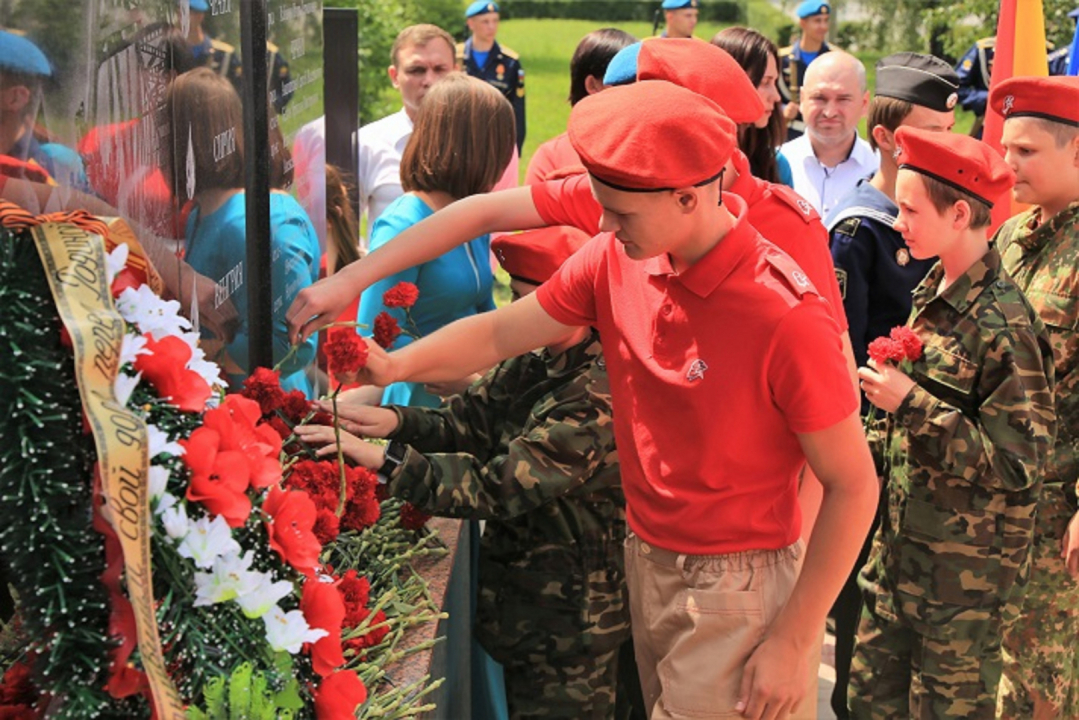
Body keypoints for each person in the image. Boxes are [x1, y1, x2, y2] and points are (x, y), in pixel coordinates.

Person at [293, 79, 878, 720]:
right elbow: (500, 332)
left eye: (619, 213)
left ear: (687, 196)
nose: (601, 225)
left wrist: (796, 640)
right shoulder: (618, 254)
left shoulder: (784, 314)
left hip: (735, 583)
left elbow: (852, 484)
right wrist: (394, 363)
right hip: (647, 558)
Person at [297, 228, 628, 720]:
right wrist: (394, 421)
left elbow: (497, 485)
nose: (517, 317)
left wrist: (385, 459)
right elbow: (468, 422)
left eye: (528, 302)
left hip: (571, 625)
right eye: (514, 301)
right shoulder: (539, 356)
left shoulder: (596, 393)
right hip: (527, 606)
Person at [849, 126, 1055, 720]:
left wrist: (911, 403)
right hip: (897, 569)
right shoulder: (933, 290)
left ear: (960, 212)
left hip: (961, 592)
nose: (898, 221)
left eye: (910, 209)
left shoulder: (1006, 326)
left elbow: (1018, 465)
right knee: (866, 706)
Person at [823, 52, 959, 720]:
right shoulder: (860, 231)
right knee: (866, 624)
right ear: (884, 136)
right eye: (928, 129)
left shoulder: (950, 216)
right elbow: (840, 360)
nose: (947, 142)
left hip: (937, 449)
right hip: (874, 453)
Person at [988, 75, 1079, 720]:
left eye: (1026, 151)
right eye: (1005, 147)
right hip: (997, 507)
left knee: (1046, 687)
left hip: (1059, 519)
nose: (1006, 163)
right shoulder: (1010, 237)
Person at [356, 72, 509, 409]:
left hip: (470, 396)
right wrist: (468, 382)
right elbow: (375, 340)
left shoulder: (472, 212)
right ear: (476, 148)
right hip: (420, 408)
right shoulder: (404, 223)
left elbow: (484, 309)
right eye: (500, 145)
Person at [162, 67, 319, 395]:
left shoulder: (259, 222)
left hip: (263, 419)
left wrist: (182, 352)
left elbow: (290, 346)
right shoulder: (201, 212)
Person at [358, 24, 456, 244]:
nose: (429, 80)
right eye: (416, 70)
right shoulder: (367, 143)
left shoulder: (481, 139)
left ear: (456, 72)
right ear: (394, 76)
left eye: (440, 69)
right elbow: (348, 233)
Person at [524, 28, 636, 185]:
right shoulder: (552, 158)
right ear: (592, 85)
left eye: (641, 80)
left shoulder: (655, 150)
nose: (637, 90)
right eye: (625, 82)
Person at [780, 51, 878, 218]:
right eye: (819, 98)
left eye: (843, 99)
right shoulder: (775, 165)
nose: (830, 112)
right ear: (802, 99)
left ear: (864, 103)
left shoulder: (882, 169)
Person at [711, 27, 788, 185]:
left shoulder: (776, 165)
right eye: (765, 82)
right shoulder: (691, 166)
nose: (776, 96)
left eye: (774, 82)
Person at [954, 36, 1067, 138]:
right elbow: (957, 86)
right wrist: (990, 99)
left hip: (1033, 125)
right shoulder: (984, 49)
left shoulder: (1044, 50)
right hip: (990, 123)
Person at [458, 1, 525, 153]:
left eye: (495, 21)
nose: (491, 26)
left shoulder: (510, 61)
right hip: (459, 138)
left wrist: (516, 148)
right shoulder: (455, 57)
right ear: (471, 23)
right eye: (485, 21)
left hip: (495, 142)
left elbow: (518, 108)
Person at [779, 0, 833, 140]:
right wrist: (784, 110)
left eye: (826, 21)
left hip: (825, 133)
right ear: (803, 23)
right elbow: (769, 97)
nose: (823, 26)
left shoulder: (834, 59)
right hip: (791, 132)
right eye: (817, 21)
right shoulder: (783, 59)